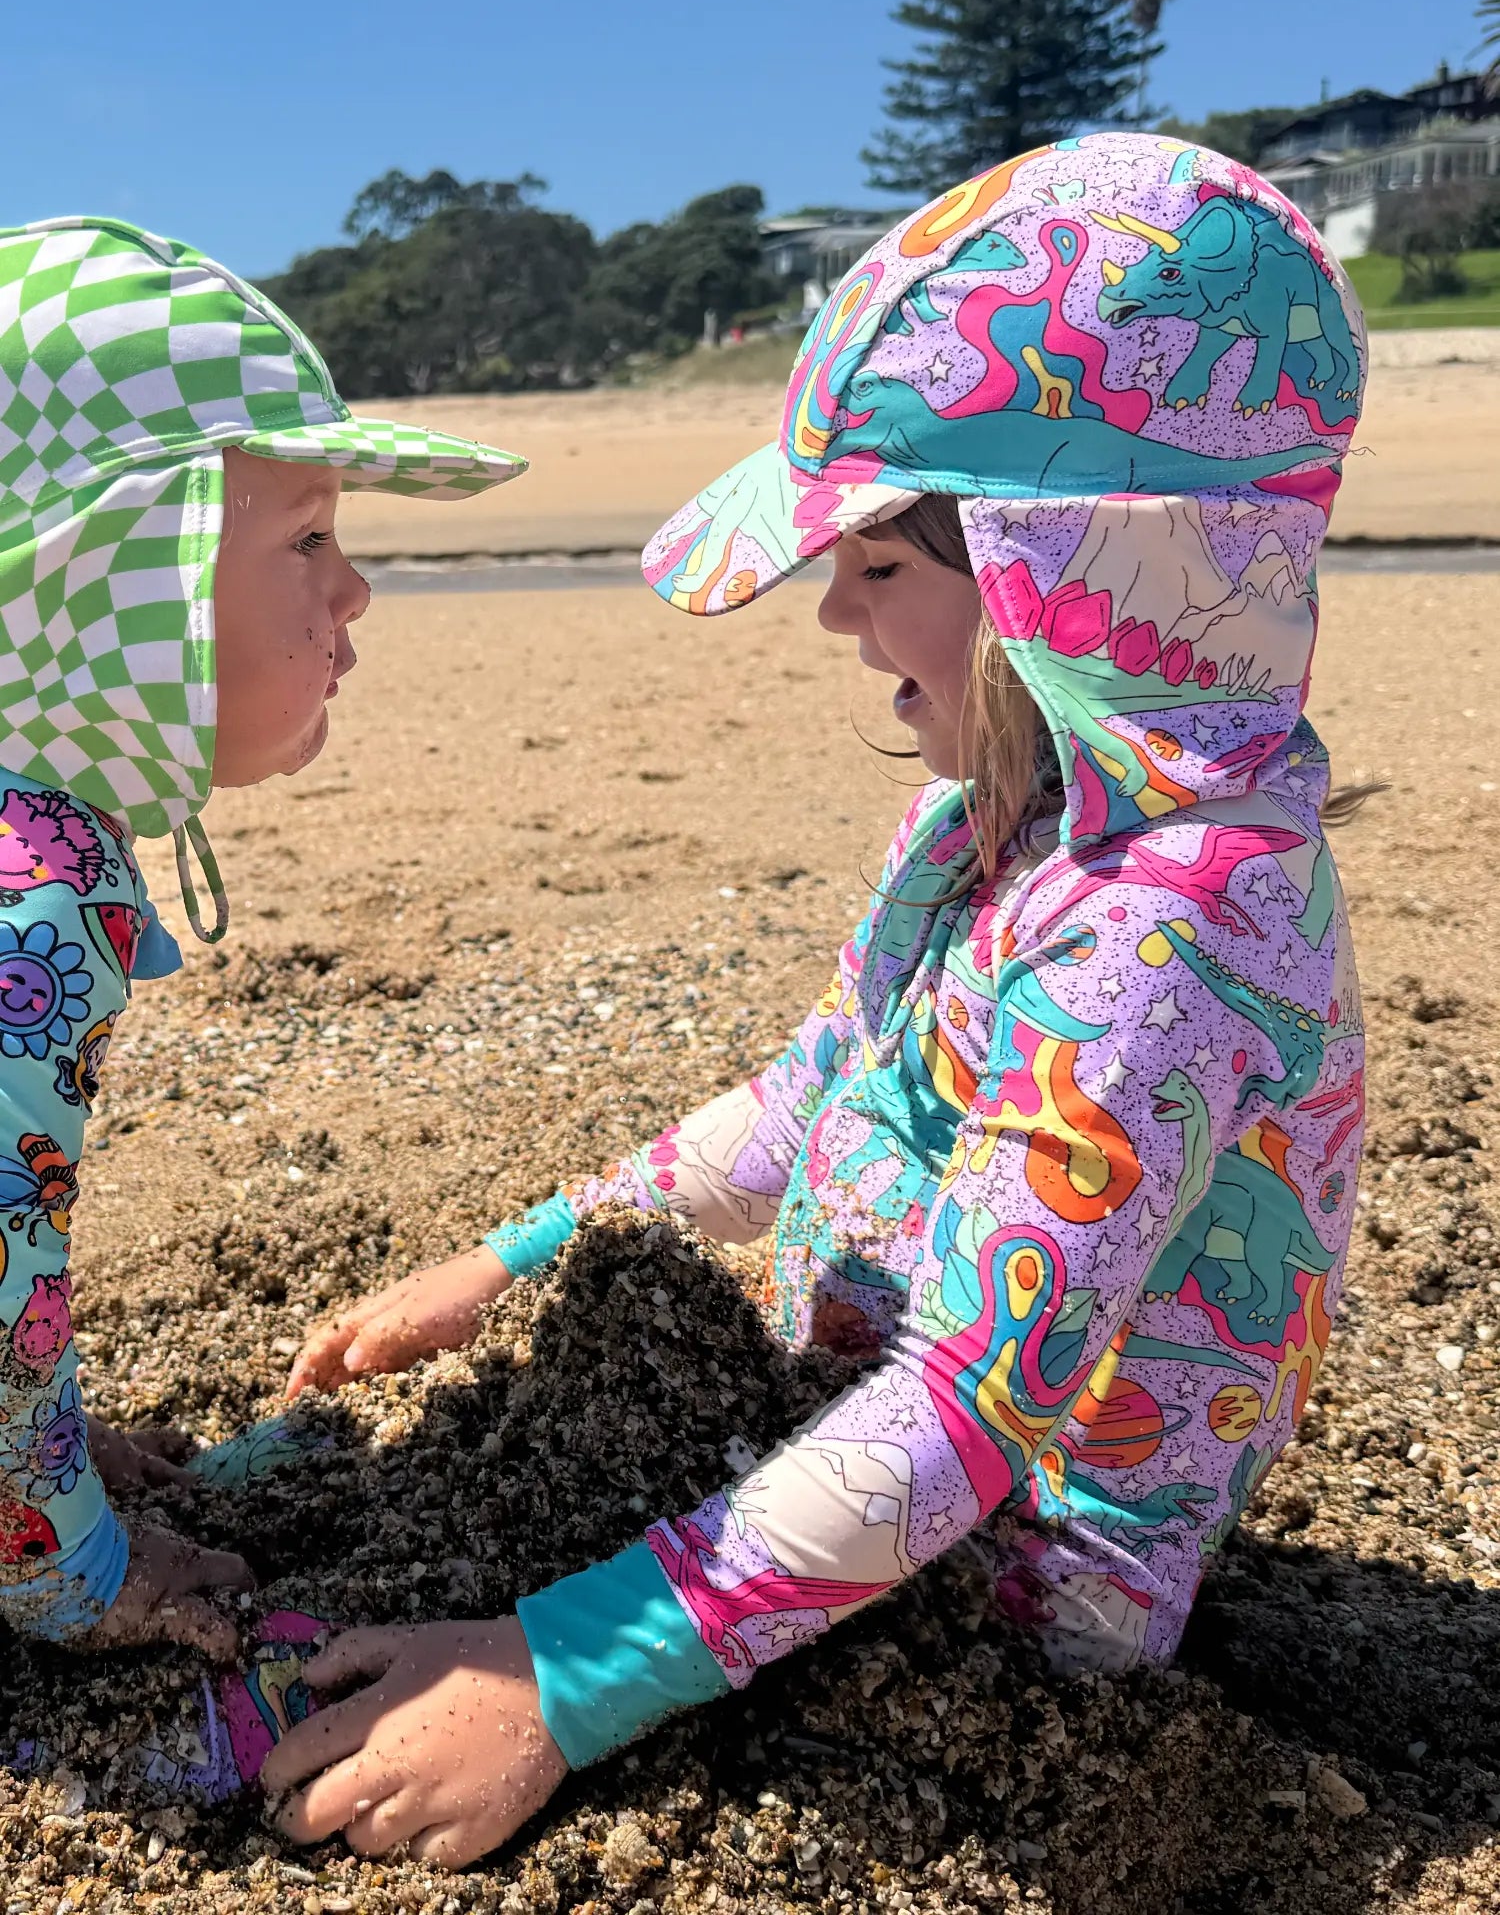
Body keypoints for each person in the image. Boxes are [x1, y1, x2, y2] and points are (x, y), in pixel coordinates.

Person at [263, 131, 1370, 1869]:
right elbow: (815, 1096)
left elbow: (967, 1410)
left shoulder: (1176, 934)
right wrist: (509, 1258)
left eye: (880, 569)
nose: (836, 624)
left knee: (422, 1678)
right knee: (386, 1510)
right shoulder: (986, 830)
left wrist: (553, 1683)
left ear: (1062, 579)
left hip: (991, 1593)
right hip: (824, 1446)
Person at [0, 217, 525, 1657]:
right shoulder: (33, 890)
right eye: (307, 538)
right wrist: (64, 1562)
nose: (353, 589)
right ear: (117, 586)